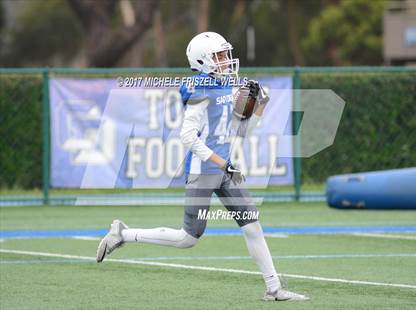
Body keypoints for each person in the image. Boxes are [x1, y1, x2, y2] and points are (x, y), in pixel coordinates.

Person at [96, 32, 308, 302]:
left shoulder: (224, 87)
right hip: (203, 170)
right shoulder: (199, 89)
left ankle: (274, 288)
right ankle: (124, 234)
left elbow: (239, 132)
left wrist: (259, 106)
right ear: (202, 60)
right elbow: (187, 137)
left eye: (225, 55)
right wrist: (222, 162)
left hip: (225, 169)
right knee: (188, 238)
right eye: (219, 56)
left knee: (252, 226)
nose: (226, 61)